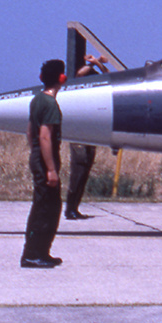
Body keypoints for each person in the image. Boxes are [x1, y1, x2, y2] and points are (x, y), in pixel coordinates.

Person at [22, 59, 66, 268]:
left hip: (38, 156)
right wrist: (50, 169)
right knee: (47, 207)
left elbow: (30, 132)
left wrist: (36, 155)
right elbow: (45, 137)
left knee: (45, 205)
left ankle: (40, 251)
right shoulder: (50, 105)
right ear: (61, 78)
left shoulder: (37, 100)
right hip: (46, 158)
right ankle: (33, 253)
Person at [63, 58, 105, 221]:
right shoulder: (78, 88)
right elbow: (81, 73)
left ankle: (74, 207)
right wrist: (93, 62)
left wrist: (99, 64)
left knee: (85, 169)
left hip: (89, 135)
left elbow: (108, 75)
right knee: (78, 170)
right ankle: (70, 208)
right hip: (78, 135)